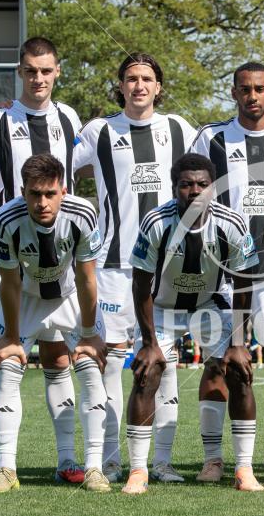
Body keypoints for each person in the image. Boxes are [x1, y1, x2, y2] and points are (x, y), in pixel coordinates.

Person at [0, 37, 85, 488]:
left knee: (57, 353)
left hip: (58, 256)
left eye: (46, 71)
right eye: (31, 70)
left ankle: (67, 460)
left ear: (57, 72)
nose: (38, 79)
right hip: (5, 258)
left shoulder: (70, 118)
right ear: (20, 71)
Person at [73, 52, 197, 484]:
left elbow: (213, 167)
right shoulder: (99, 131)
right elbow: (57, 167)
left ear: (158, 87)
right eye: (131, 78)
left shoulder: (180, 129)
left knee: (165, 362)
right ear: (121, 86)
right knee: (110, 363)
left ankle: (160, 462)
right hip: (113, 265)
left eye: (147, 78)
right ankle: (108, 461)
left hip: (167, 267)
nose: (139, 85)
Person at [122, 153, 263, 493]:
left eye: (202, 184)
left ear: (212, 188)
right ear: (174, 189)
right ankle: (138, 471)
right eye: (186, 185)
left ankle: (242, 469)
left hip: (208, 303)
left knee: (238, 369)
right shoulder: (156, 222)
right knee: (147, 372)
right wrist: (149, 343)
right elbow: (140, 283)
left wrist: (239, 343)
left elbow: (244, 283)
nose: (195, 191)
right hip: (162, 306)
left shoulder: (231, 223)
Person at [189, 62, 264, 482]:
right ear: (233, 93)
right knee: (216, 363)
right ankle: (213, 460)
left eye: (259, 89)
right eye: (244, 89)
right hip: (222, 271)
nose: (252, 96)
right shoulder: (212, 138)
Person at [0, 154, 109, 492]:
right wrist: (12, 337)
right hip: (26, 298)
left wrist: (89, 334)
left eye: (50, 194)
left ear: (63, 191)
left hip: (69, 297)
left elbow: (86, 278)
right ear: (22, 192)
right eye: (34, 194)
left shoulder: (82, 213)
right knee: (8, 367)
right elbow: (9, 282)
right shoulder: (6, 218)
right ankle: (6, 469)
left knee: (89, 367)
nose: (42, 203)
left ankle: (93, 468)